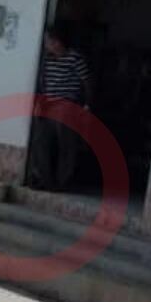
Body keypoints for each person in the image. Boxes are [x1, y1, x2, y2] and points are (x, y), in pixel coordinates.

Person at [31, 23, 93, 191]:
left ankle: (62, 182)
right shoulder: (47, 59)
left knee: (66, 145)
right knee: (41, 142)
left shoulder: (74, 58)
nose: (46, 44)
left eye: (49, 40)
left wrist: (87, 104)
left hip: (66, 105)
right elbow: (43, 83)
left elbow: (86, 82)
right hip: (48, 104)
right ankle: (45, 180)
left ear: (58, 41)